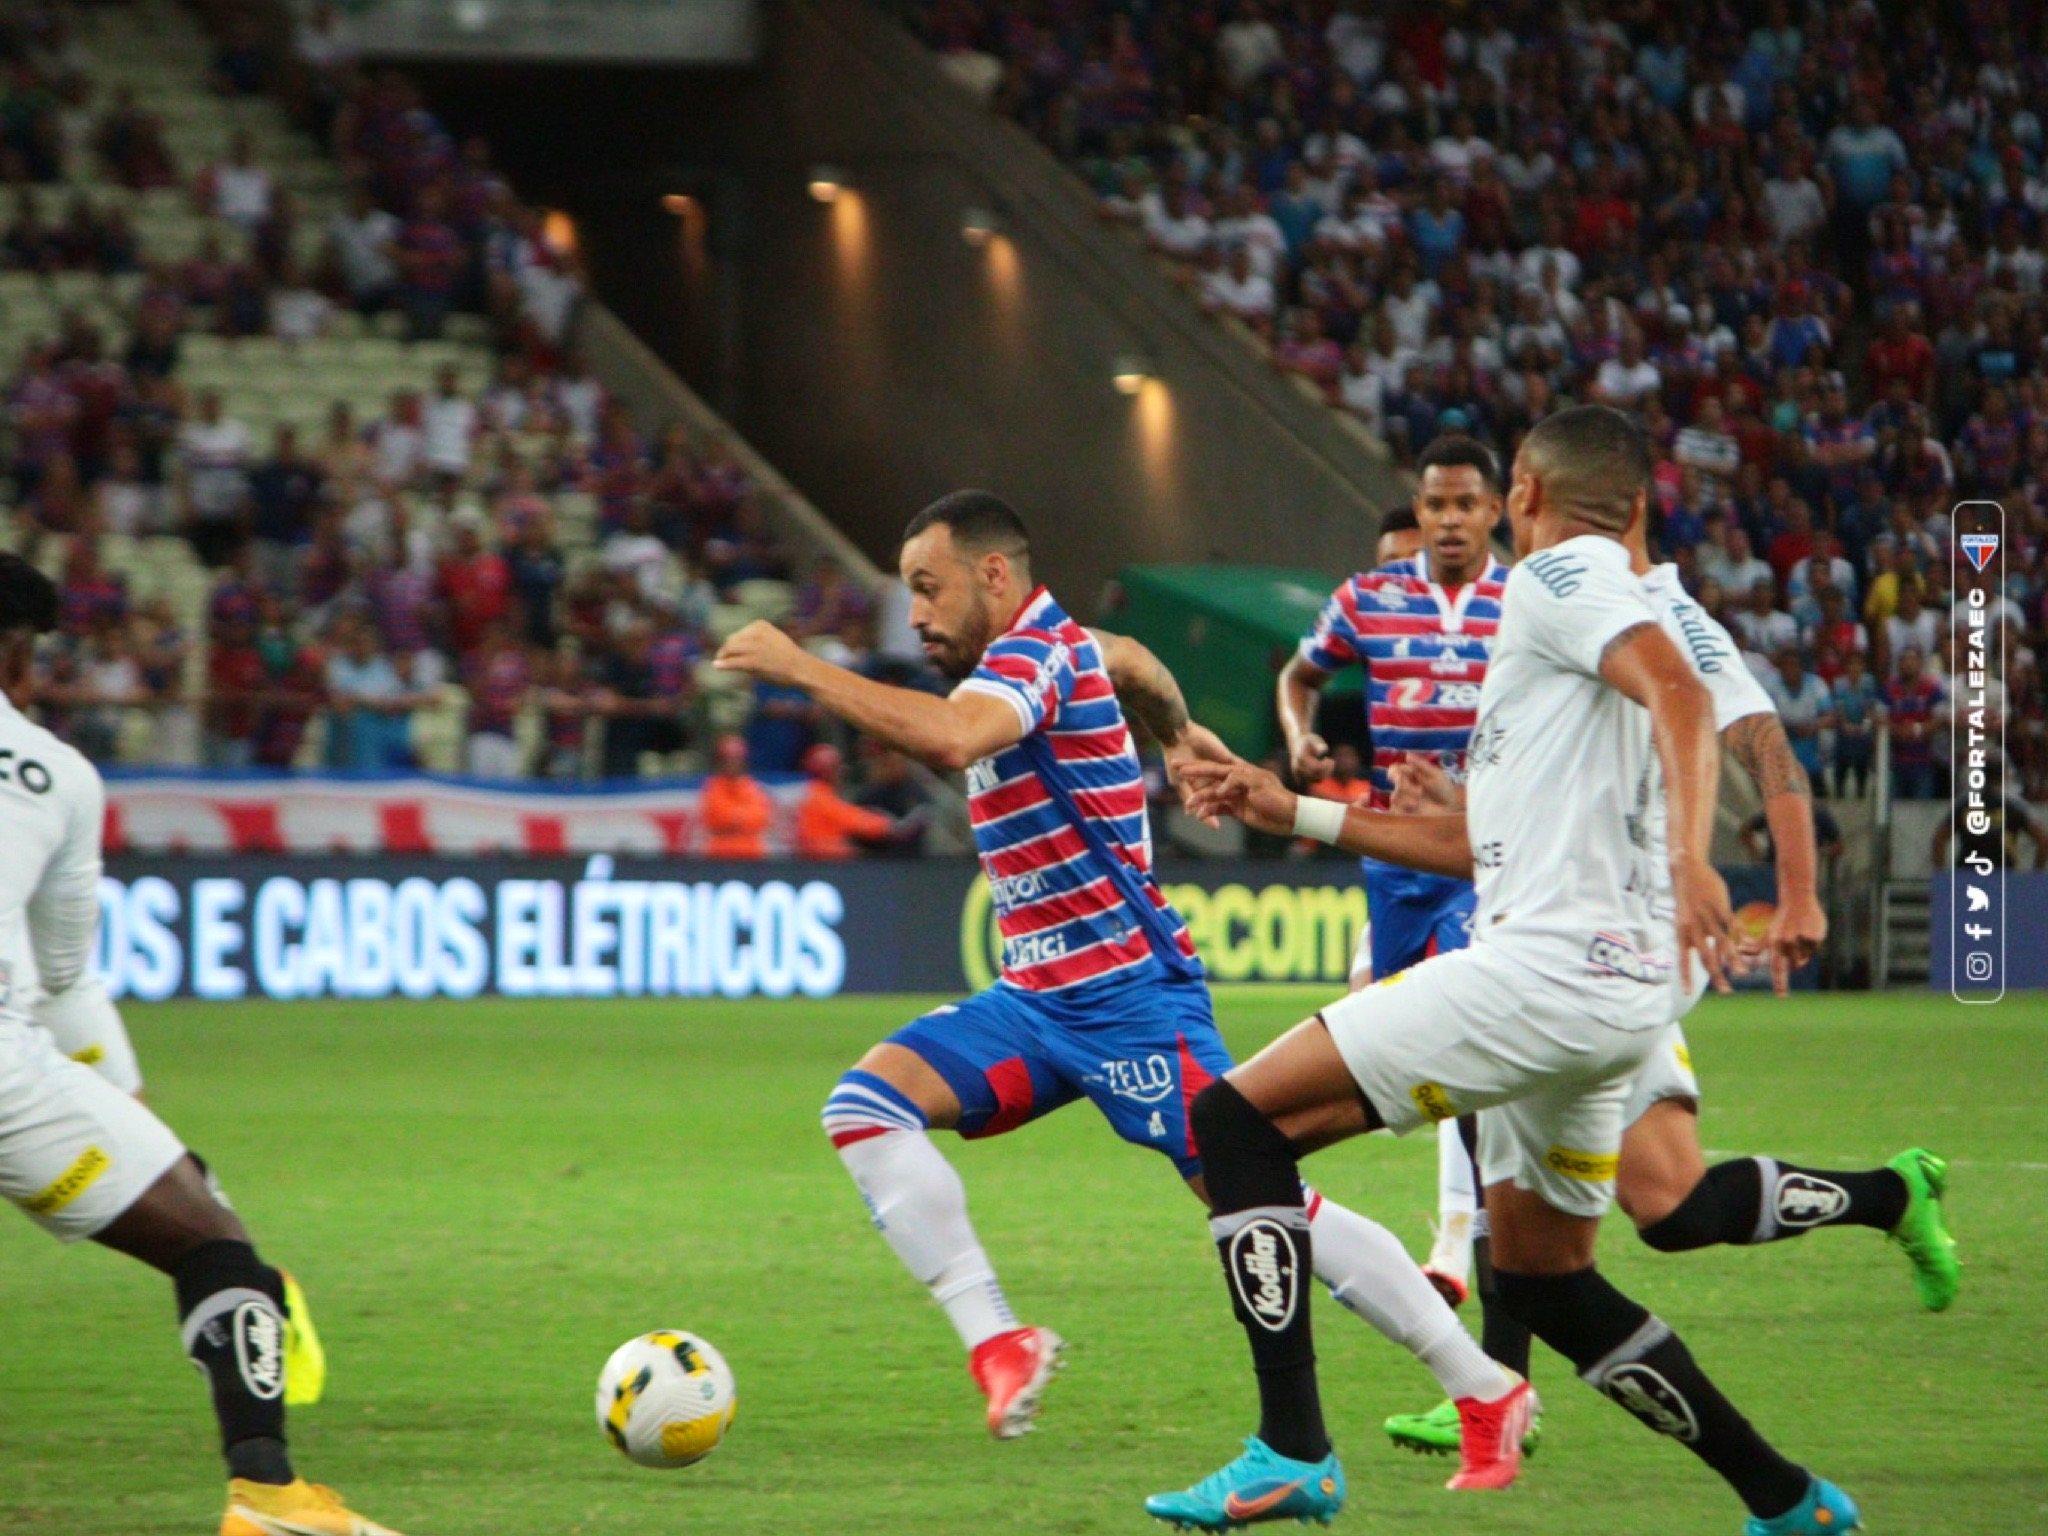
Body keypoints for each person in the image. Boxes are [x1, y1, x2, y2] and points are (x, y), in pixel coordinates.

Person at [1158, 408, 1862, 1535]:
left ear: (1520, 494)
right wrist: (1285, 805)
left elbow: (1681, 701)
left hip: (1542, 977)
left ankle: (1289, 1448)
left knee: (1231, 1124)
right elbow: (1471, 842)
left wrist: (1691, 859)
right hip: (1616, 1006)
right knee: (1540, 1281)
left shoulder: (1552, 580)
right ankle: (1787, 1499)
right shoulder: (1639, 616)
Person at [714, 491, 1525, 1467]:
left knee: (1260, 1202)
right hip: (1035, 1000)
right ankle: (1000, 1343)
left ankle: (1480, 1387)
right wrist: (1177, 735)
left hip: (1131, 998)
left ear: (994, 577)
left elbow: (946, 739)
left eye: (928, 590)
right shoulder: (1059, 646)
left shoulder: (1027, 659)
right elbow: (1134, 662)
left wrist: (797, 665)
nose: (916, 614)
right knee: (864, 1108)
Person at [1383, 436, 1954, 1462]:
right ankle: (1886, 1194)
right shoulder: (1565, 595)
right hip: (1575, 935)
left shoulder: (1666, 619)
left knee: (1588, 1168)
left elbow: (1764, 747)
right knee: (1670, 1207)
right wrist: (1468, 815)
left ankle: (1491, 1397)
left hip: (1621, 949)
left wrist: (1793, 892)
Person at [0, 556, 397, 1536]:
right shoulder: (55, 775)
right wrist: (121, 1098)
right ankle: (268, 1498)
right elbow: (61, 969)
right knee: (213, 1242)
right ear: (21, 649)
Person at [1273, 435, 1508, 1315]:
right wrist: (1300, 739)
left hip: (1482, 859)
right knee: (1388, 1051)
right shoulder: (1368, 600)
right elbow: (1299, 678)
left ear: (1493, 510)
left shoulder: (1525, 604)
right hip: (1390, 858)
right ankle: (1309, 1200)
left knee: (1471, 1042)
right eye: (1434, 506)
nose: (1447, 520)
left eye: (1464, 504)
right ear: (1420, 511)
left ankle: (1468, 1243)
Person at [792, 743, 896, 859]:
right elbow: (867, 825)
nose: (843, 771)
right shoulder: (819, 796)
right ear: (828, 771)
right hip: (822, 861)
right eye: (838, 767)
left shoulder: (808, 791)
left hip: (813, 859)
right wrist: (887, 822)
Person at [700, 733, 772, 858]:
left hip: (751, 851)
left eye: (737, 758)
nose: (732, 763)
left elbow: (760, 819)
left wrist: (736, 817)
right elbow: (718, 817)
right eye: (727, 759)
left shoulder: (753, 787)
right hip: (720, 851)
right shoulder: (713, 788)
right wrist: (742, 816)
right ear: (719, 761)